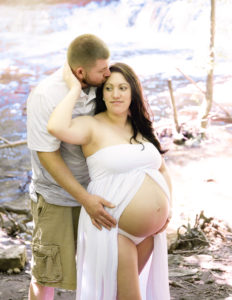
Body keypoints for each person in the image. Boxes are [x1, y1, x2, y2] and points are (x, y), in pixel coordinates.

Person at [48, 62, 173, 300]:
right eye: (109, 88)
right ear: (101, 94)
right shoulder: (91, 126)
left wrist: (168, 210)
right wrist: (74, 88)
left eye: (123, 88)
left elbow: (162, 169)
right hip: (114, 230)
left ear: (133, 92)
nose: (116, 94)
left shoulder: (140, 127)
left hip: (149, 233)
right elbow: (55, 126)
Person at [26, 34, 117, 300]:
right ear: (80, 72)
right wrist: (84, 198)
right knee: (46, 274)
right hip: (58, 198)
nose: (108, 74)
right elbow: (48, 156)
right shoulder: (46, 95)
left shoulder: (104, 84)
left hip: (99, 192)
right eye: (102, 70)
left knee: (104, 269)